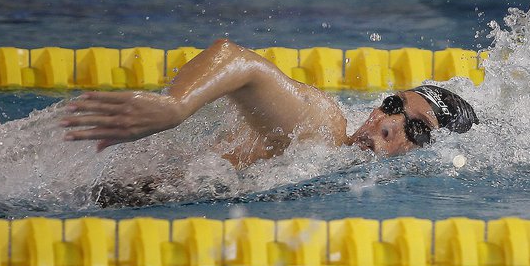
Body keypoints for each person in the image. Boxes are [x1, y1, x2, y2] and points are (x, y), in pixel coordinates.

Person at [61, 39, 478, 167]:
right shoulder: (321, 129)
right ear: (375, 108)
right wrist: (176, 106)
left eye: (417, 129)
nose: (390, 123)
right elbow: (239, 61)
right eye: (392, 104)